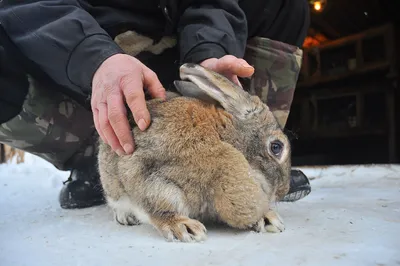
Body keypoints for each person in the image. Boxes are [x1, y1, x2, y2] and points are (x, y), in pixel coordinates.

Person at [0, 0, 312, 209]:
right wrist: (94, 59)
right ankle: (94, 160)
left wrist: (210, 49)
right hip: (80, 71)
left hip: (177, 63)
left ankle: (254, 159)